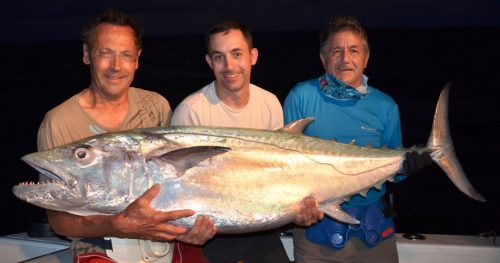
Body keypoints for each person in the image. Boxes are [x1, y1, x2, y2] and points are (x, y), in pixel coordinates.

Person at [37, 9, 215, 263]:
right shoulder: (59, 122)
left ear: (137, 59)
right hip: (98, 245)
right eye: (105, 53)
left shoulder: (156, 106)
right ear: (87, 55)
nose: (116, 66)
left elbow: (179, 185)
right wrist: (117, 225)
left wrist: (191, 227)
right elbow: (59, 221)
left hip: (162, 238)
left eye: (125, 55)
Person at [171, 20, 322, 263]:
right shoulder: (190, 112)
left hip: (261, 227)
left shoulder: (269, 102)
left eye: (237, 54)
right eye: (219, 57)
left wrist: (297, 207)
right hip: (213, 233)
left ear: (253, 56)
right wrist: (187, 231)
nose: (229, 66)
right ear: (209, 62)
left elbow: (279, 174)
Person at [283, 16, 432, 263]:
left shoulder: (385, 106)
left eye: (354, 50)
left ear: (366, 58)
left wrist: (408, 166)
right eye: (336, 51)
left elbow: (394, 169)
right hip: (315, 233)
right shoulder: (301, 96)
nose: (345, 59)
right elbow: (288, 167)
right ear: (323, 58)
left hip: (374, 233)